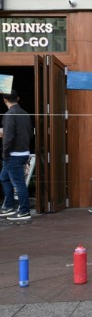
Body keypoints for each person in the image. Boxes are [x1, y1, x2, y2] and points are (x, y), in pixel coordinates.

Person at [0, 90, 33, 220]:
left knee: (18, 183)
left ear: (4, 100)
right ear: (18, 98)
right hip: (24, 151)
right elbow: (30, 133)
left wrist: (4, 153)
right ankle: (9, 206)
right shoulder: (25, 113)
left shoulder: (9, 114)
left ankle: (24, 211)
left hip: (13, 154)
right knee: (4, 177)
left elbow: (8, 137)